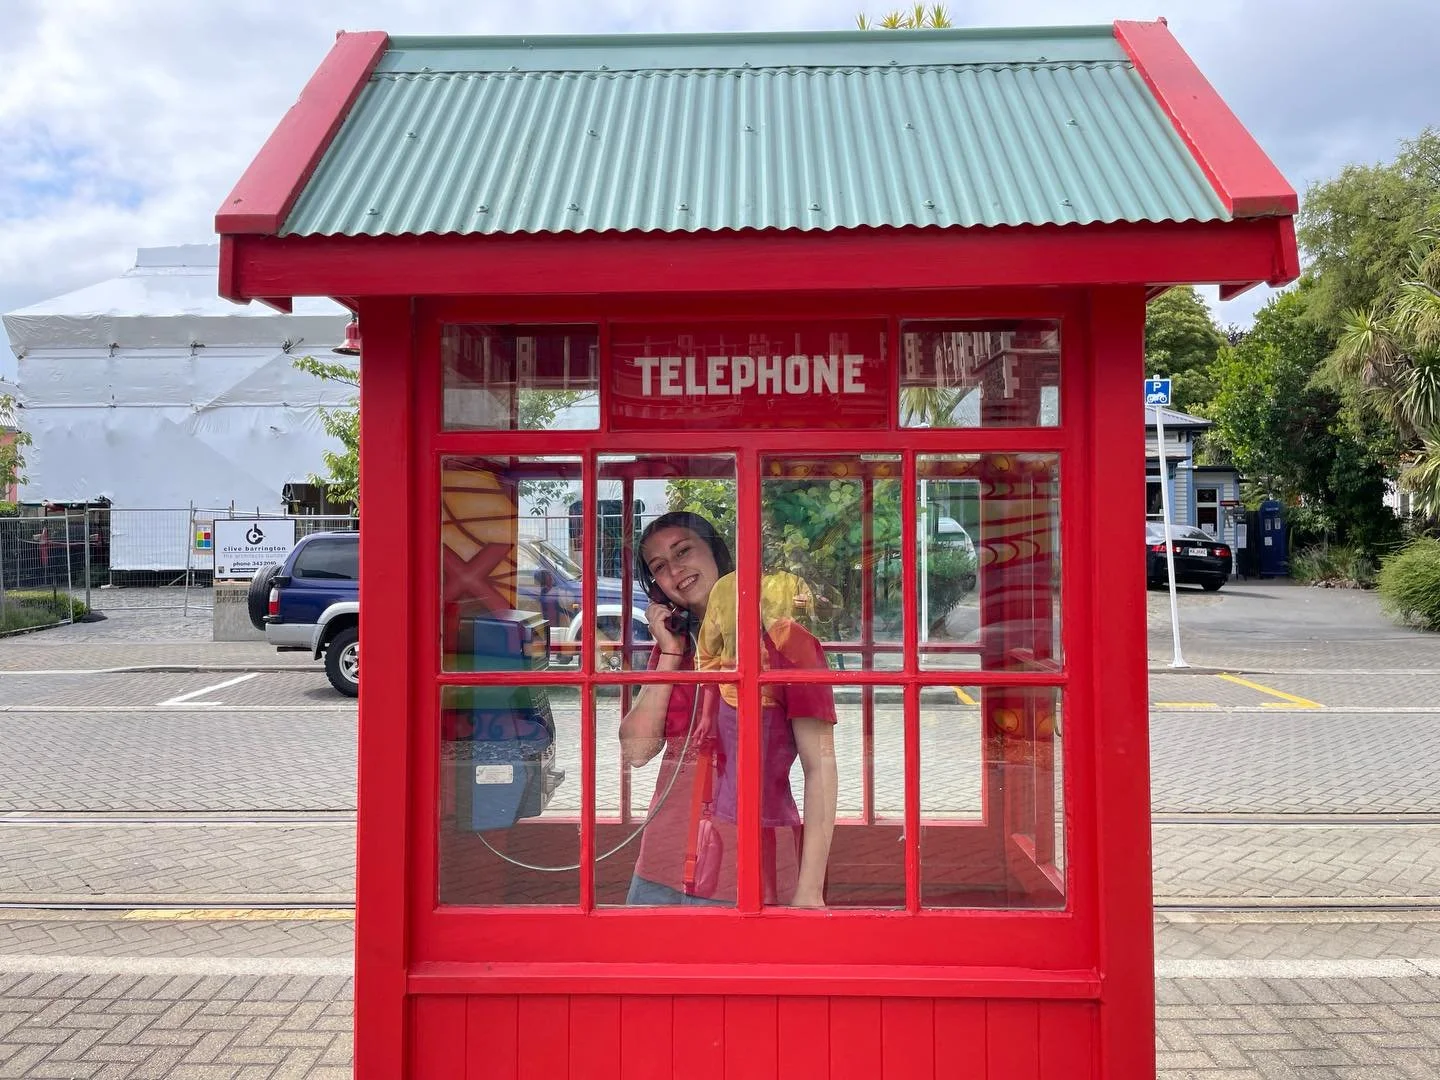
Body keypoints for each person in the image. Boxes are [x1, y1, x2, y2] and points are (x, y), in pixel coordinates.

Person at [618, 511, 837, 908]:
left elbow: (820, 768)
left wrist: (810, 889)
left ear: (717, 553)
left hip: (747, 862)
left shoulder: (787, 642)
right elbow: (636, 751)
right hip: (661, 862)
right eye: (659, 567)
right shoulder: (674, 646)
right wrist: (669, 653)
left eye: (684, 551)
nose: (675, 569)